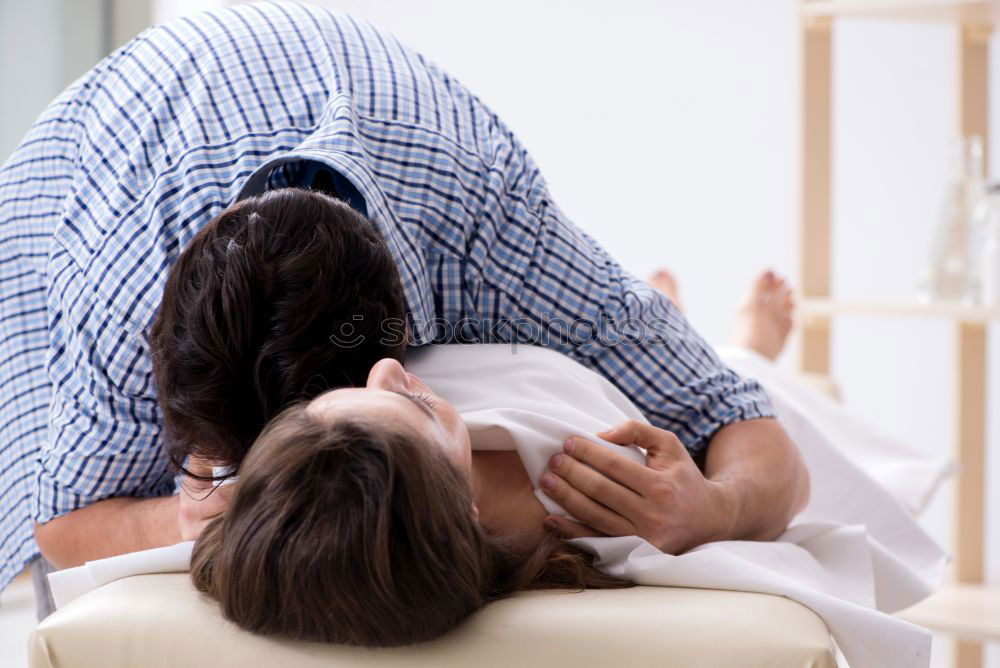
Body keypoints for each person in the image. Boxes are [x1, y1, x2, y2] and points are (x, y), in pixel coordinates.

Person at [0, 2, 806, 616]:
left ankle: (711, 334)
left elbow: (747, 426)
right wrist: (201, 508)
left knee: (683, 369)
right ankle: (714, 329)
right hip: (95, 158)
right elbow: (62, 526)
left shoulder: (494, 234)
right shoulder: (114, 288)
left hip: (405, 153)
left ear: (397, 363)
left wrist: (714, 509)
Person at [186, 266, 807, 647]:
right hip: (611, 388)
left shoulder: (301, 502)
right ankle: (743, 350)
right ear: (468, 512)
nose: (387, 365)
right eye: (421, 408)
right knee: (747, 387)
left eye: (325, 400)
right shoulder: (598, 503)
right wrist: (717, 509)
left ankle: (679, 325)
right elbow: (792, 483)